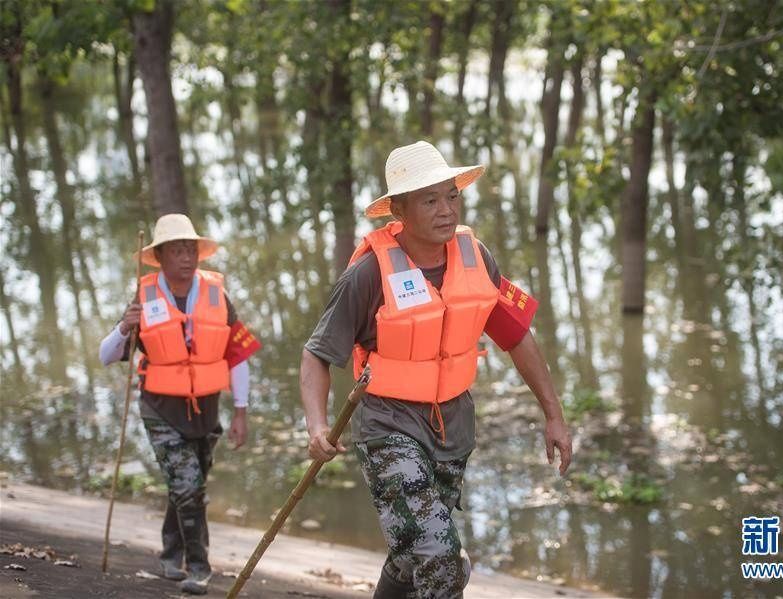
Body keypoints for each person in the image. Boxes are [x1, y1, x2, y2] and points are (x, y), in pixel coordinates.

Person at [300, 141, 572, 598]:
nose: (446, 210)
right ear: (399, 210)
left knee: (411, 556)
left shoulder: (476, 258)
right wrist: (317, 424)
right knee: (443, 558)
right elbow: (316, 355)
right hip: (387, 426)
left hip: (453, 430)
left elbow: (517, 336)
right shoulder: (368, 275)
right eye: (430, 200)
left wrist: (554, 414)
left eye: (452, 196)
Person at [99, 213, 260, 595]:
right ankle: (199, 566)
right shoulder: (144, 296)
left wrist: (240, 411)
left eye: (191, 250)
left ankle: (171, 552)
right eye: (178, 251)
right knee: (189, 488)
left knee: (188, 485)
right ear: (162, 257)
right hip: (159, 408)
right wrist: (124, 326)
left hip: (207, 411)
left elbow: (237, 356)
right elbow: (107, 356)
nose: (187, 258)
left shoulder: (217, 294)